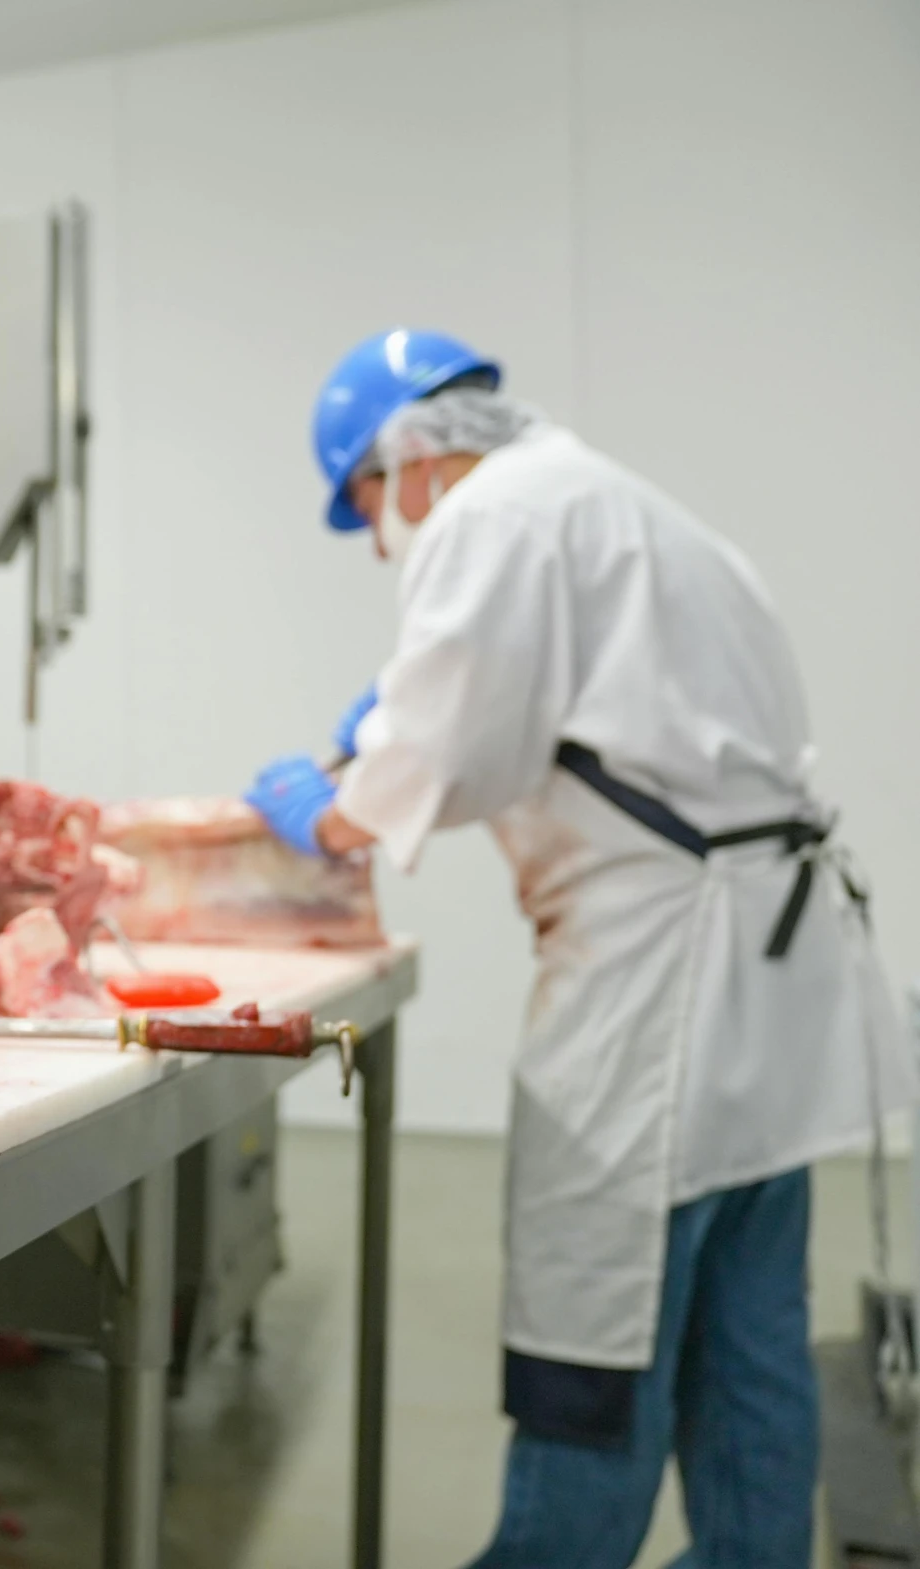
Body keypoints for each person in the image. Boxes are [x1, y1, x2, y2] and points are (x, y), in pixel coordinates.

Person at [246, 328, 913, 1562]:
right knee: (750, 1352)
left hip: (654, 993)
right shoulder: (624, 507)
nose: (388, 539)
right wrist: (396, 719)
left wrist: (328, 801)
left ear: (410, 459)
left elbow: (443, 764)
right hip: (769, 990)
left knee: (589, 1362)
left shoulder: (491, 518)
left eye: (371, 508)